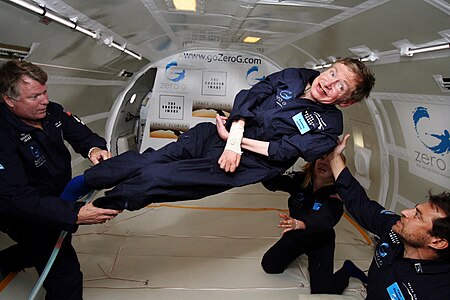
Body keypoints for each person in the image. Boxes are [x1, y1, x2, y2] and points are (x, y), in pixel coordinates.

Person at [81, 57, 375, 210]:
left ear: (346, 100)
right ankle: (85, 183)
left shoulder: (329, 126)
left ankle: (100, 207)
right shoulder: (295, 75)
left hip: (246, 163)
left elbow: (284, 152)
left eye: (341, 87)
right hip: (218, 134)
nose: (330, 82)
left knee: (160, 178)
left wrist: (235, 145)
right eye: (334, 73)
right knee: (149, 161)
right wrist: (232, 136)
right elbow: (252, 94)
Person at [0, 60, 122, 300]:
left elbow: (82, 135)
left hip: (54, 198)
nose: (44, 100)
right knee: (65, 277)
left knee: (41, 246)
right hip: (22, 211)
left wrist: (94, 149)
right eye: (35, 96)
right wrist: (73, 213)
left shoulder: (52, 112)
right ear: (9, 100)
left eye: (45, 91)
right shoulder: (3, 135)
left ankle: (6, 260)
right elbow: (14, 197)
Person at [326, 134, 450, 299]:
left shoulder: (437, 291)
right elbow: (360, 203)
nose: (406, 212)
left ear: (438, 242)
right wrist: (335, 157)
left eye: (418, 216)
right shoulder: (395, 229)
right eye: (415, 209)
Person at [261, 156, 368, 294]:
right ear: (314, 161)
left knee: (322, 290)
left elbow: (326, 219)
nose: (324, 163)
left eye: (330, 161)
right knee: (269, 266)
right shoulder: (300, 180)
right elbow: (274, 182)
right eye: (321, 158)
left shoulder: (336, 193)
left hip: (320, 240)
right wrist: (267, 163)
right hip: (296, 235)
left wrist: (299, 223)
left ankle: (347, 270)